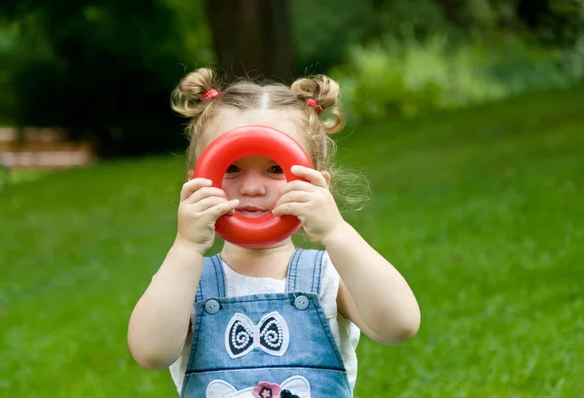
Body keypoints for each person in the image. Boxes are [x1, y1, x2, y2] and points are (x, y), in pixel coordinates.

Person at [127, 68, 421, 398]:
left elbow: (399, 326)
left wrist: (336, 232)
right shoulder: (185, 279)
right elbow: (150, 353)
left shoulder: (327, 276)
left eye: (275, 169)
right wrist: (186, 248)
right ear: (199, 179)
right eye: (233, 168)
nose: (252, 187)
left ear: (318, 183)